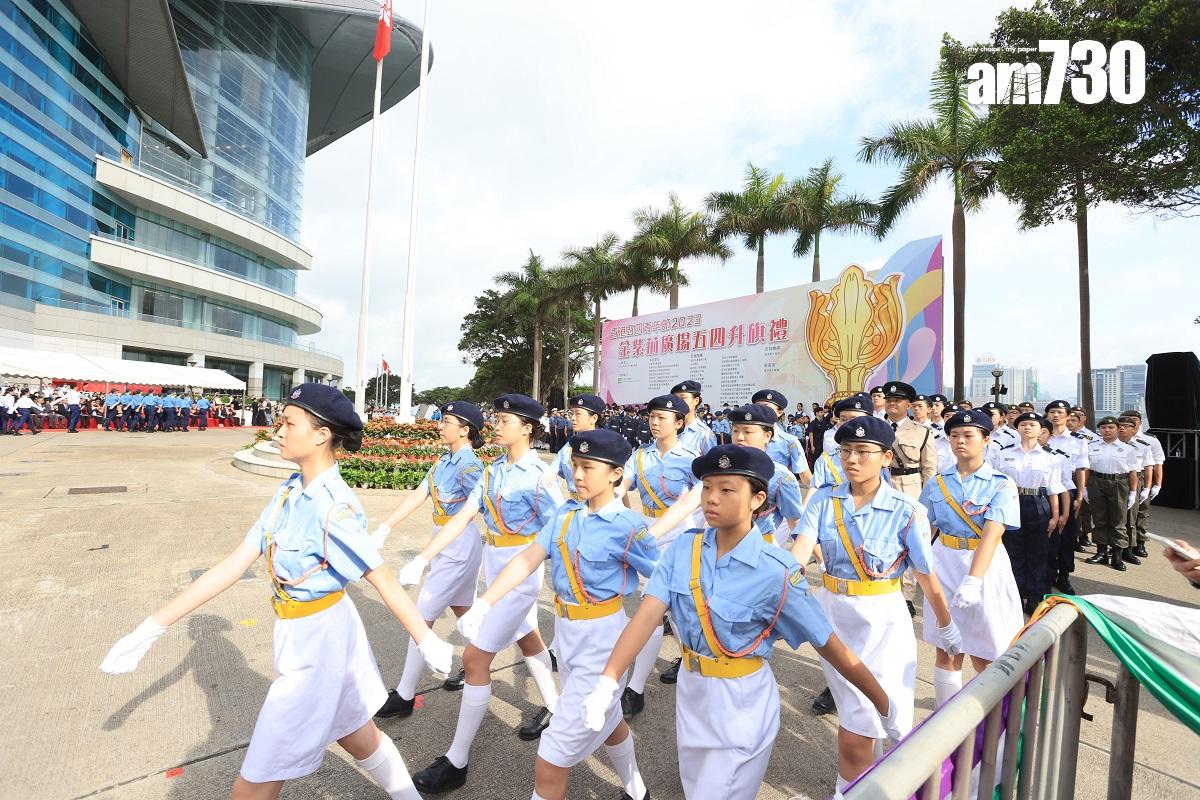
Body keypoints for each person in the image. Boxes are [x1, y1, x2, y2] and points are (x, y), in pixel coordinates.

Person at [100, 383, 452, 800]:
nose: (278, 431)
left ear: (322, 434)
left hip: (319, 645)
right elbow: (235, 563)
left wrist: (426, 638)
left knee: (254, 781)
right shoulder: (289, 490)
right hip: (304, 634)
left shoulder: (333, 506)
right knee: (358, 736)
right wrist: (151, 627)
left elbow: (381, 577)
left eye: (289, 423)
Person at [585, 444, 903, 800]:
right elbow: (645, 617)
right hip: (691, 693)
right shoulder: (682, 550)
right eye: (706, 488)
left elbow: (830, 646)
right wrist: (608, 679)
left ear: (757, 499)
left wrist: (885, 706)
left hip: (741, 704)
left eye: (726, 489)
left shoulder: (774, 570)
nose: (711, 499)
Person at [457, 429, 657, 800]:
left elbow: (662, 584)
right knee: (610, 722)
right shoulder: (566, 514)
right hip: (567, 634)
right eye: (575, 466)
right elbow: (527, 558)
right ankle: (638, 792)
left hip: (604, 637)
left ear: (615, 474)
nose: (578, 475)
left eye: (588, 467)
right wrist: (485, 602)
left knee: (551, 756)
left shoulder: (629, 526)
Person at [399, 394, 564, 794]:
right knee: (529, 640)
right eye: (497, 417)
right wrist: (423, 558)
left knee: (474, 659)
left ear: (528, 428)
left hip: (521, 575)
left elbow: (564, 529)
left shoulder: (539, 476)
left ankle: (457, 760)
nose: (497, 423)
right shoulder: (492, 473)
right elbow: (462, 517)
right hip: (495, 568)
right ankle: (559, 713)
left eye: (506, 419)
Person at [791, 418, 959, 794]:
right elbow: (801, 549)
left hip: (883, 622)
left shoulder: (907, 510)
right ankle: (876, 781)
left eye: (862, 452)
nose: (852, 459)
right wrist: (785, 575)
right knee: (863, 721)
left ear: (885, 458)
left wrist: (947, 628)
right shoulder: (824, 498)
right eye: (846, 450)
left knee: (859, 730)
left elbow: (927, 577)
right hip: (833, 617)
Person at [373, 401, 487, 719]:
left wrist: (425, 557)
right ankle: (478, 663)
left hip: (457, 548)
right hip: (446, 546)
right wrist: (385, 527)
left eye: (447, 421)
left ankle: (406, 695)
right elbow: (419, 494)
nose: (440, 424)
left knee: (419, 618)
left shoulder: (469, 466)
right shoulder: (443, 461)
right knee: (464, 613)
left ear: (464, 430)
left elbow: (477, 510)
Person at [917, 408, 1023, 707]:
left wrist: (973, 581)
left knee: (985, 651)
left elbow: (992, 533)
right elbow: (923, 528)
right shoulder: (937, 483)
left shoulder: (1001, 483)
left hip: (984, 566)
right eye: (954, 435)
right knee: (946, 648)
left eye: (968, 435)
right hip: (944, 562)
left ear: (986, 439)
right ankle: (944, 718)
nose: (960, 441)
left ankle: (986, 720)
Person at [617, 394, 700, 716]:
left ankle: (684, 665)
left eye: (662, 417)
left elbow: (690, 503)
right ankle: (639, 688)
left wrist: (649, 536)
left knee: (670, 608)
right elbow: (620, 487)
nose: (654, 422)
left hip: (680, 538)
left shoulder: (693, 458)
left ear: (679, 423)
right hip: (649, 534)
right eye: (651, 416)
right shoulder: (640, 457)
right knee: (657, 608)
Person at [988, 412, 1066, 614]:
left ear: (1042, 430)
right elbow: (995, 482)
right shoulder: (1004, 453)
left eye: (1033, 424)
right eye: (1023, 424)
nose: (1027, 428)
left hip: (1038, 503)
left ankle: (1034, 598)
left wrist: (1055, 516)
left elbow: (1054, 489)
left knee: (1038, 553)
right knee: (1012, 552)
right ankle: (1014, 596)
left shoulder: (1051, 457)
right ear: (1017, 428)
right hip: (1011, 501)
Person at [1082, 417, 1139, 571]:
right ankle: (1101, 552)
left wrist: (1133, 492)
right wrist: (1084, 488)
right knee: (1099, 518)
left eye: (1110, 427)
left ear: (1117, 429)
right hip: (1096, 481)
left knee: (1118, 521)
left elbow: (1133, 472)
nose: (1106, 430)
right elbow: (1087, 469)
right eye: (1103, 427)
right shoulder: (1092, 446)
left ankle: (1117, 555)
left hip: (1119, 483)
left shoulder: (1128, 449)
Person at [1044, 400, 1087, 593]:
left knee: (1066, 537)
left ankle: (1064, 576)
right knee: (1046, 536)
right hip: (1043, 492)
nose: (1055, 415)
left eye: (1060, 412)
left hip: (1066, 492)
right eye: (1052, 412)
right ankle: (1047, 574)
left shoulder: (1077, 440)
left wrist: (1080, 495)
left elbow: (1080, 469)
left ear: (1068, 415)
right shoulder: (1042, 435)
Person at [1124, 409, 1164, 559]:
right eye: (1126, 419)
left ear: (1139, 422)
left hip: (1141, 478)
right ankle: (1126, 544)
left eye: (1134, 419)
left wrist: (1156, 485)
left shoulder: (1150, 440)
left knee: (1142, 513)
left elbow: (1157, 464)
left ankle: (1140, 543)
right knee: (1125, 515)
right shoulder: (1119, 438)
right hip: (1123, 478)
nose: (1130, 422)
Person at [1116, 415, 1154, 566]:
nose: (1123, 428)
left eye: (1127, 426)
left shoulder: (1143, 446)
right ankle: (1109, 550)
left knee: (1130, 518)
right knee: (1114, 517)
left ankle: (1128, 550)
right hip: (1114, 479)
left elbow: (1149, 467)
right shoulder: (1109, 444)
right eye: (1120, 425)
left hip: (1134, 481)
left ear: (1134, 429)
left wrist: (1148, 488)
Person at [553, 394, 606, 499]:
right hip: (574, 506)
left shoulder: (605, 446)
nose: (573, 418)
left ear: (594, 418)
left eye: (578, 414)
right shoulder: (567, 447)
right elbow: (551, 473)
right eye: (572, 413)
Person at [752, 389, 811, 482]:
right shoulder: (744, 439)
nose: (761, 412)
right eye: (757, 408)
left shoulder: (789, 442)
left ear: (779, 412)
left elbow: (806, 477)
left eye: (767, 408)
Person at [671, 380, 716, 455]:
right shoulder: (668, 428)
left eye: (683, 398)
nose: (678, 403)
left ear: (696, 400)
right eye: (675, 399)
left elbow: (711, 464)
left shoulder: (704, 434)